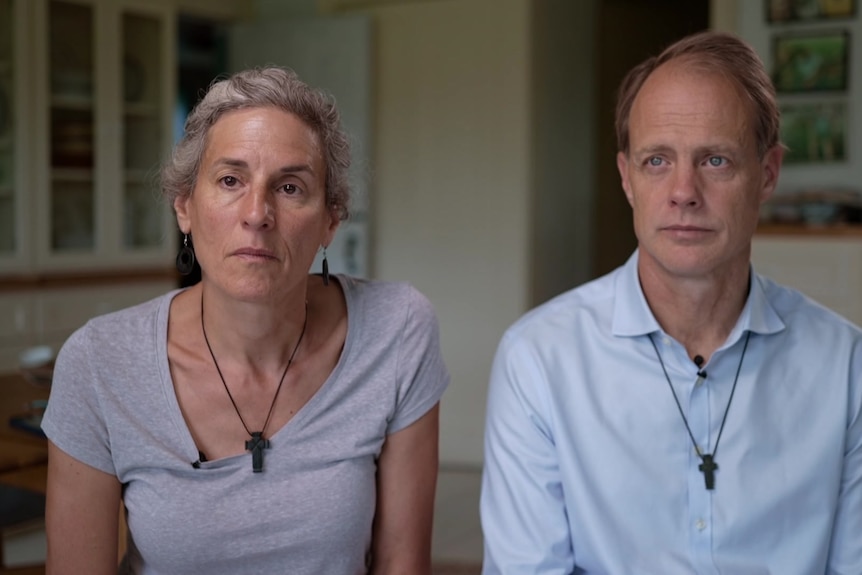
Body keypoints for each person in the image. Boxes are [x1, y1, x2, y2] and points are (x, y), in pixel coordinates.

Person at [42, 66, 449, 574]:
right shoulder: (100, 362)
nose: (257, 213)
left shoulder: (397, 329)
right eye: (230, 180)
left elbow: (401, 563)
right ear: (185, 207)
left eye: (291, 187)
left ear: (330, 220)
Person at [481, 31, 862, 574]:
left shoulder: (847, 367)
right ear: (626, 178)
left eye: (715, 161)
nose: (683, 190)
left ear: (768, 174)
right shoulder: (540, 360)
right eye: (657, 160)